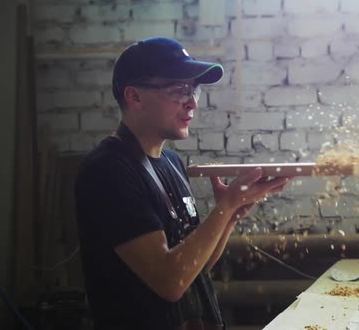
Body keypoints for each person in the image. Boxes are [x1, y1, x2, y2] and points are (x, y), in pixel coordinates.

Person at [74, 37, 291, 330]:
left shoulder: (172, 163)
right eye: (178, 89)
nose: (191, 102)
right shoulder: (108, 170)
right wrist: (224, 208)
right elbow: (170, 282)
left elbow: (194, 271)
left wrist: (230, 215)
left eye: (193, 90)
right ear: (135, 97)